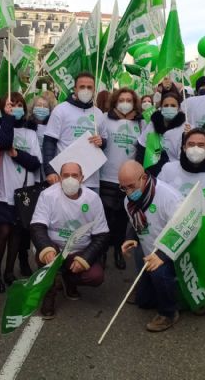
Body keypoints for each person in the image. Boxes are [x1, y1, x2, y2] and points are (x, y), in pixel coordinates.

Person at [31, 162, 109, 319]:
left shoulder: (93, 199)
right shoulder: (48, 195)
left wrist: (85, 259)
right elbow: (37, 226)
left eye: (74, 175)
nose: (70, 179)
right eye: (65, 175)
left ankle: (69, 279)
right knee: (45, 256)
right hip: (55, 248)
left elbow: (102, 235)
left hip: (78, 251)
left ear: (82, 178)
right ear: (59, 178)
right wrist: (46, 248)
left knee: (95, 276)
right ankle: (49, 294)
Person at [119, 160, 183, 332]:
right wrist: (130, 238)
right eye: (123, 188)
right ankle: (155, 292)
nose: (128, 192)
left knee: (159, 272)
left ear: (144, 178)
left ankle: (169, 313)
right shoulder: (129, 200)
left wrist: (162, 255)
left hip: (173, 249)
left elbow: (182, 230)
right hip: (149, 247)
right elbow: (133, 221)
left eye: (131, 186)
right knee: (144, 302)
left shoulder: (169, 197)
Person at [0, 93, 42, 292]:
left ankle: (9, 271)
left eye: (20, 105)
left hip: (24, 193)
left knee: (17, 234)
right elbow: (3, 143)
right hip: (4, 191)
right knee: (3, 231)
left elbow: (36, 163)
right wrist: (8, 119)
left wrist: (17, 154)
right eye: (13, 105)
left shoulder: (30, 133)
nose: (17, 108)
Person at [157, 129, 205, 249]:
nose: (195, 148)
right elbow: (157, 200)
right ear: (184, 147)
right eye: (191, 144)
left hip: (199, 241)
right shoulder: (168, 169)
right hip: (168, 238)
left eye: (201, 145)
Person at [42, 72, 108, 193]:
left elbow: (104, 141)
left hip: (91, 181)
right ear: (75, 89)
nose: (86, 90)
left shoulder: (98, 114)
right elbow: (49, 142)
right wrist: (49, 171)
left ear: (94, 90)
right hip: (66, 179)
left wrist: (101, 142)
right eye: (82, 87)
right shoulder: (61, 110)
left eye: (89, 87)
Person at [100, 88, 143, 270]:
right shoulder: (104, 118)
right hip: (106, 176)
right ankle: (101, 254)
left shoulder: (141, 123)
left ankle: (118, 250)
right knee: (104, 219)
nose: (125, 103)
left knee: (122, 219)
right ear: (115, 102)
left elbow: (143, 149)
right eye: (122, 99)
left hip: (128, 180)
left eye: (129, 100)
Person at [136, 91, 186, 177]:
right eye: (166, 105)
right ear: (161, 107)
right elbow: (142, 148)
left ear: (178, 108)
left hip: (173, 176)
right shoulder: (153, 124)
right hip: (151, 175)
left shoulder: (183, 128)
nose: (169, 108)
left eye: (173, 106)